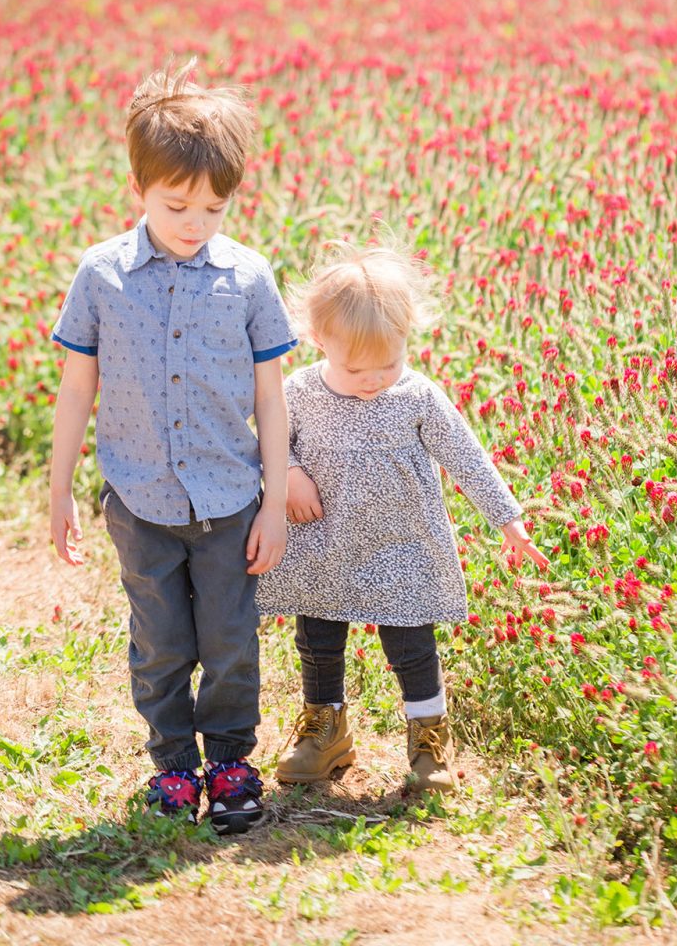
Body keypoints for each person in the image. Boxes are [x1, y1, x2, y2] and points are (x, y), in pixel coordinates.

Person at [48, 60, 294, 834]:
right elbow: (77, 389)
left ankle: (229, 761)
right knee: (159, 644)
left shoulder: (249, 277)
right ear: (139, 190)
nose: (194, 222)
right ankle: (175, 769)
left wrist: (277, 502)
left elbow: (272, 397)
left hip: (230, 498)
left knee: (228, 640)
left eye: (213, 208)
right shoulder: (102, 275)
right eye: (175, 204)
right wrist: (58, 491)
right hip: (140, 499)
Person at [256, 239, 548, 793]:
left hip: (403, 543)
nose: (374, 378)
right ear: (320, 342)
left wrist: (508, 519)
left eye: (389, 363)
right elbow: (268, 441)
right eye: (356, 367)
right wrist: (288, 473)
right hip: (324, 541)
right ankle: (326, 729)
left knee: (411, 645)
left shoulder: (416, 396)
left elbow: (466, 454)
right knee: (318, 638)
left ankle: (428, 738)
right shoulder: (298, 392)